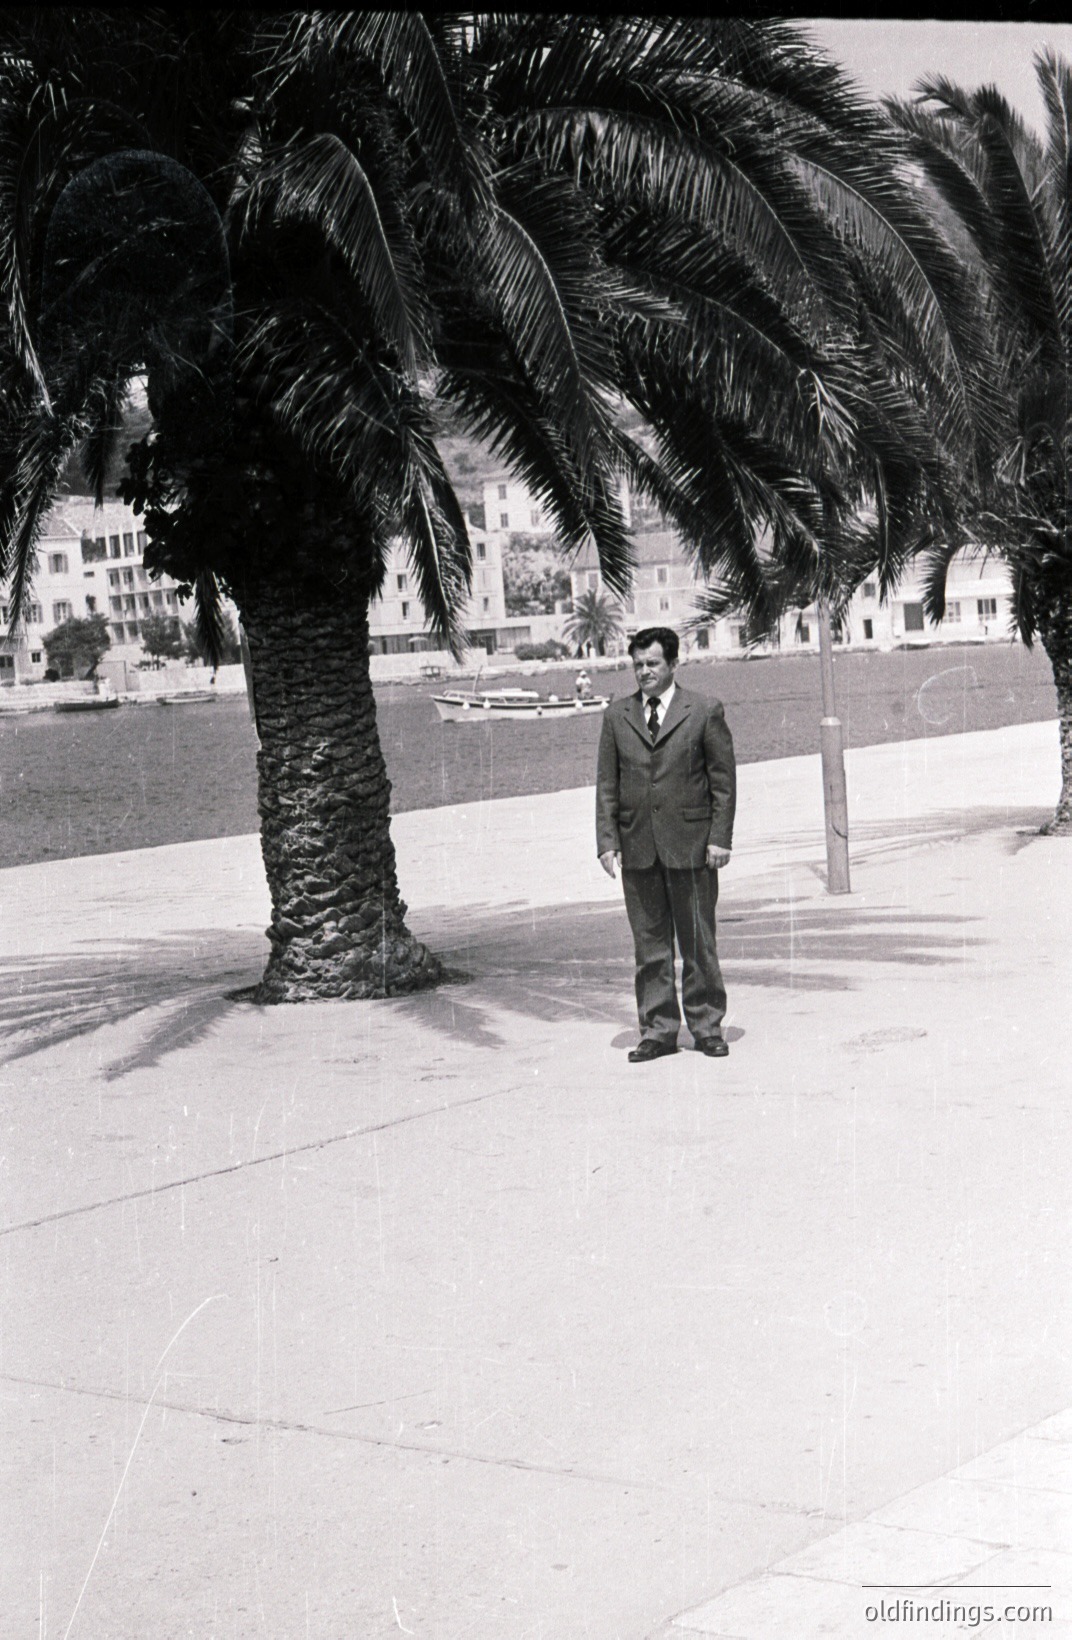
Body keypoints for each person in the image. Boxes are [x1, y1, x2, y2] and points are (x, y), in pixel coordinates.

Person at [596, 627, 736, 1062]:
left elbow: (723, 783)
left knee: (698, 943)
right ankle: (658, 1031)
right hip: (638, 847)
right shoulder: (617, 715)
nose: (644, 672)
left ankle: (706, 1026)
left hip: (693, 845)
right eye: (637, 664)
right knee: (650, 946)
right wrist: (606, 842)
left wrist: (719, 838)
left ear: (673, 664)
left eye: (652, 663)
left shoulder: (704, 711)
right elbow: (607, 784)